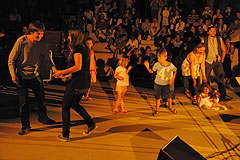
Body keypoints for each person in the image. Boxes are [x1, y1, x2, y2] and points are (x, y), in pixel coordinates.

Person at [8, 20, 56, 135]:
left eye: (42, 33)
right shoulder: (21, 41)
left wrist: (56, 71)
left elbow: (47, 60)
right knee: (23, 103)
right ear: (31, 32)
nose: (41, 36)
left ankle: (43, 118)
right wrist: (12, 74)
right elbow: (11, 59)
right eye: (38, 33)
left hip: (35, 75)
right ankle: (25, 125)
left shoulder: (42, 44)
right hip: (21, 76)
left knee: (41, 100)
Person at [54, 29, 96, 142]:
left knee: (65, 107)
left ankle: (65, 135)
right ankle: (90, 122)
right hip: (83, 82)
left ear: (74, 36)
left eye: (69, 36)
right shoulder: (84, 49)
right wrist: (68, 76)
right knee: (75, 104)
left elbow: (78, 67)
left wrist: (61, 72)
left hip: (77, 83)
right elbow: (80, 69)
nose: (68, 38)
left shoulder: (78, 49)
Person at [144, 49, 177, 116]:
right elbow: (151, 71)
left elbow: (175, 70)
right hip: (158, 83)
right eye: (158, 58)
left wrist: (172, 78)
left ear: (165, 57)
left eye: (160, 58)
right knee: (157, 97)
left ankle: (170, 107)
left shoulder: (170, 65)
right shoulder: (157, 64)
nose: (159, 59)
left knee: (168, 96)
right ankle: (157, 110)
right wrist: (147, 67)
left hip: (166, 84)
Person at [204, 26, 232, 101]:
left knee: (221, 77)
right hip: (208, 61)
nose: (213, 32)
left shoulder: (219, 39)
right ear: (208, 32)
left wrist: (221, 60)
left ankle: (223, 95)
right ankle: (207, 95)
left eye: (214, 31)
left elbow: (224, 49)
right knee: (206, 78)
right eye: (211, 31)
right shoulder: (205, 39)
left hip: (217, 60)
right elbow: (202, 50)